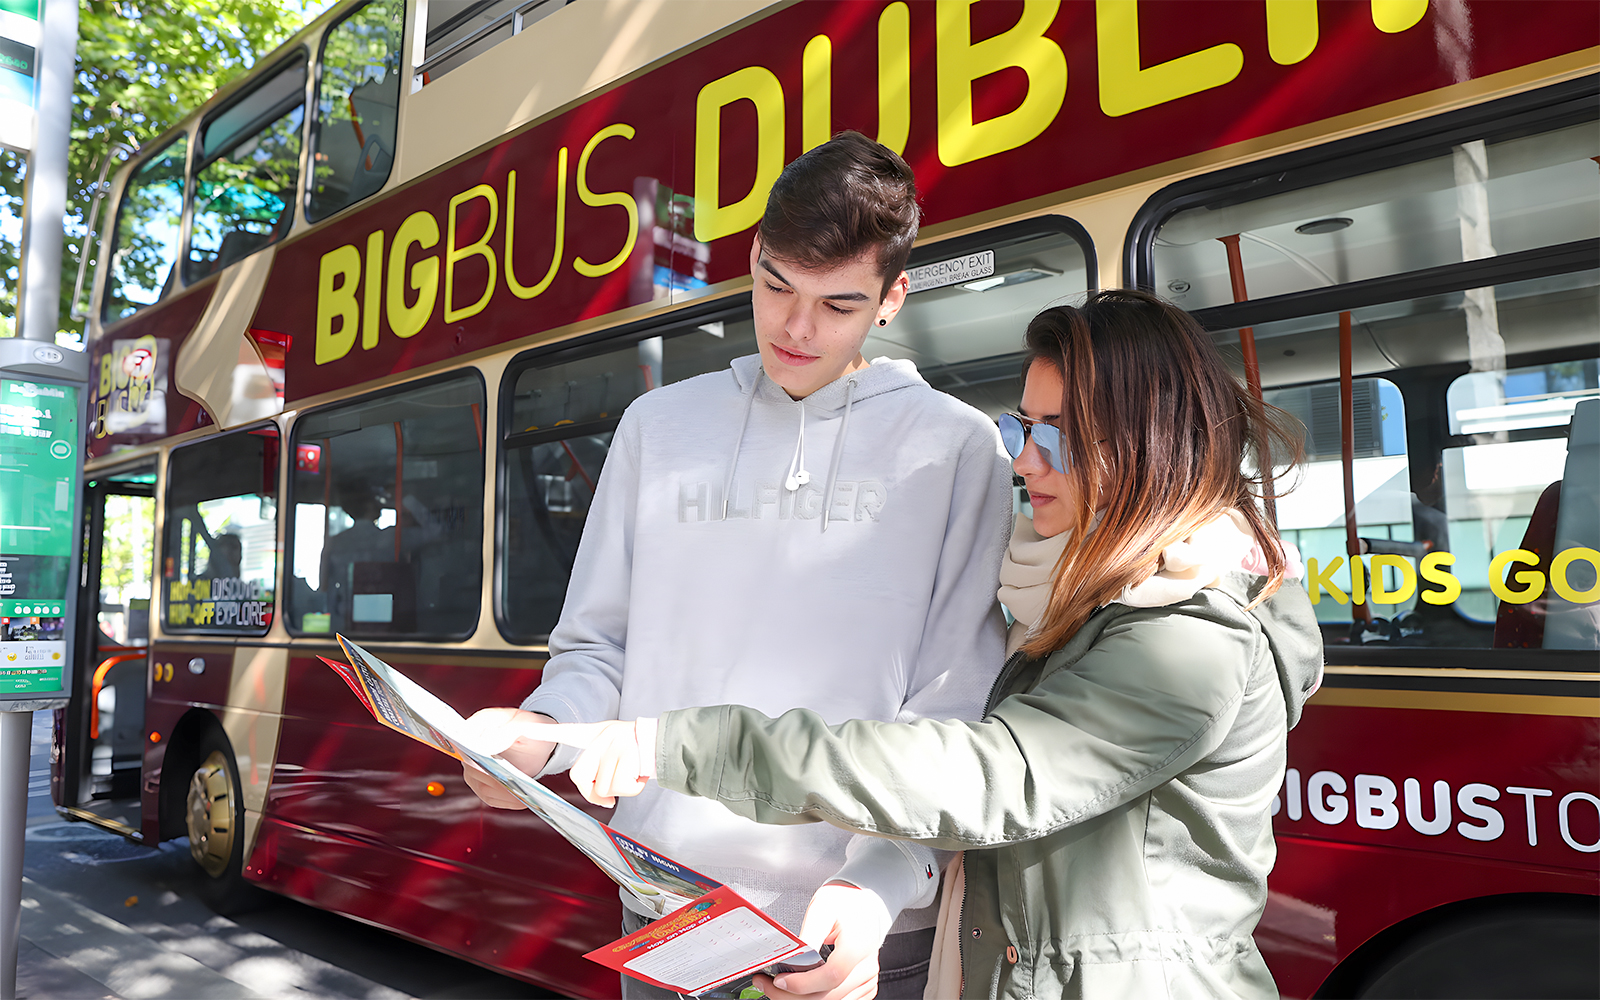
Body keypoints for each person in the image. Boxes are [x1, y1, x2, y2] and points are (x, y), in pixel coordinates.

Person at [541, 291, 1325, 999]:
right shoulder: (1077, 591)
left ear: (1147, 442)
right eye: (1023, 426)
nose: (1023, 460)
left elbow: (993, 774)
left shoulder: (1190, 632)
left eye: (1058, 435)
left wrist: (682, 741)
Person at [462, 131, 1016, 999]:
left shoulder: (955, 448)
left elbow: (953, 711)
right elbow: (598, 647)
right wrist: (541, 734)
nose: (796, 327)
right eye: (775, 286)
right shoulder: (658, 427)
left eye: (838, 304)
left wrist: (875, 887)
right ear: (753, 259)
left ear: (892, 298)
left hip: (849, 927)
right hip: (667, 901)